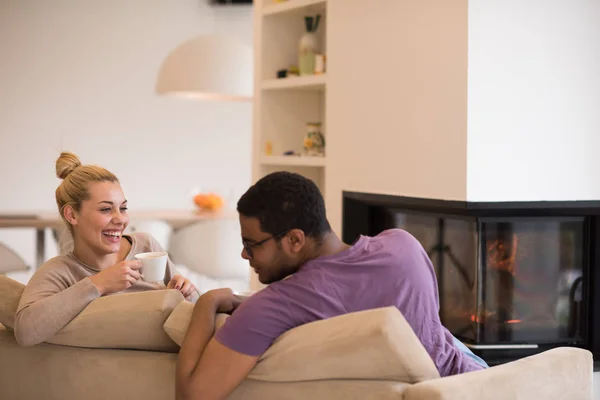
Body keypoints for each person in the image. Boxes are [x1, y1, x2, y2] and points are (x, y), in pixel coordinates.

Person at [175, 172, 488, 400]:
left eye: (251, 243)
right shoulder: (403, 245)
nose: (244, 254)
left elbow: (194, 394)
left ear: (295, 239)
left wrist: (207, 303)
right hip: (481, 382)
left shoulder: (272, 306)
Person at [14, 152, 197, 347]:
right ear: (72, 215)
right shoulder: (60, 272)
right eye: (106, 209)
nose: (120, 220)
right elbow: (25, 332)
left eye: (123, 208)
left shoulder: (146, 247)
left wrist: (187, 293)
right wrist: (98, 284)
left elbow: (198, 310)